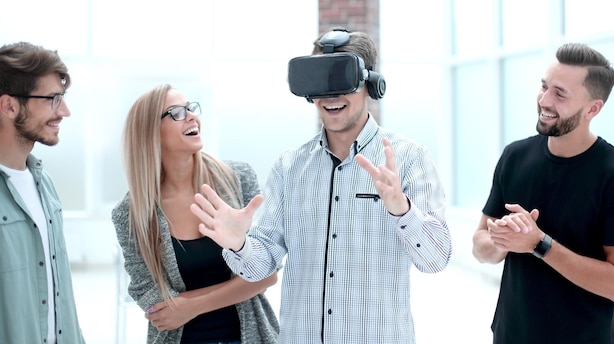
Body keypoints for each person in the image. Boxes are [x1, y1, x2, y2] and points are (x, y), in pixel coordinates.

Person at [190, 28, 452, 343]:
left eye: (341, 80)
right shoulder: (289, 166)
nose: (330, 96)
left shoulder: (410, 158)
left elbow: (436, 259)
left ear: (370, 84)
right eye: (320, 82)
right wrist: (238, 243)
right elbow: (261, 267)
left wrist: (402, 210)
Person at [472, 43, 614, 344]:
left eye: (560, 93)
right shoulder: (514, 156)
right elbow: (480, 246)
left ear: (593, 109)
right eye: (544, 86)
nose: (544, 100)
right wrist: (503, 240)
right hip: (510, 336)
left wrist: (539, 244)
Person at [111, 84, 279, 344]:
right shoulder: (131, 213)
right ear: (150, 132)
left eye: (191, 108)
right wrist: (238, 287)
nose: (191, 116)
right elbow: (152, 301)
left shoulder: (238, 178)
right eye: (176, 112)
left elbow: (267, 272)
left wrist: (190, 307)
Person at [0, 42, 85, 344]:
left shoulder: (44, 183)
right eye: (52, 99)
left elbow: (57, 293)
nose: (65, 111)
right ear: (9, 106)